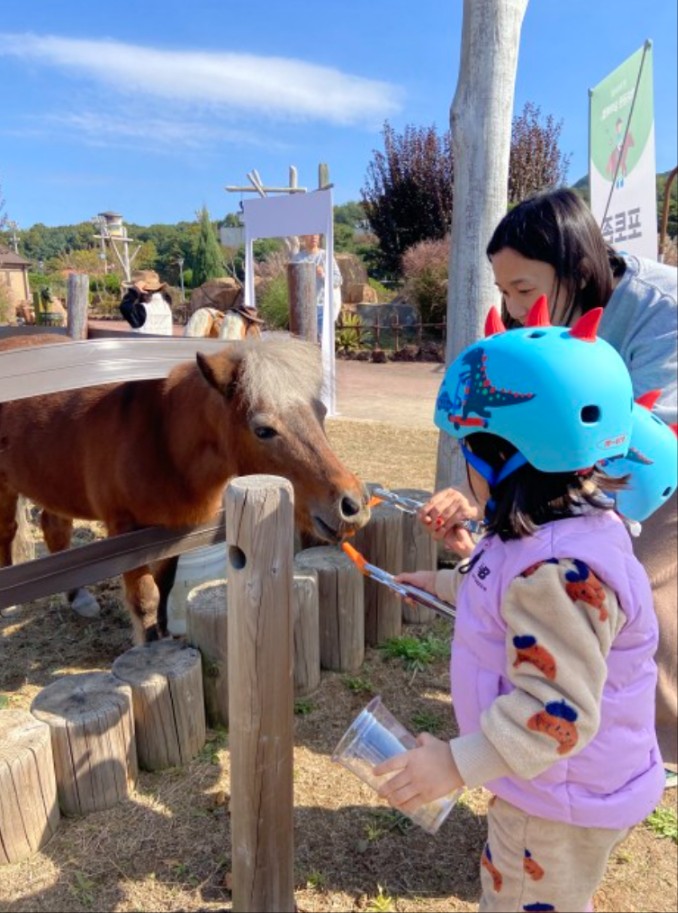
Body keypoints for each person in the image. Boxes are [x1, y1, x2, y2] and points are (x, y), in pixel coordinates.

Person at [376, 302, 665, 912]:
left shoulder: (556, 572)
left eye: (468, 454)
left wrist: (454, 765)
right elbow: (508, 594)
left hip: (557, 799)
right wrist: (440, 581)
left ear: (501, 460)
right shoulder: (561, 531)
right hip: (561, 783)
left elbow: (555, 712)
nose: (466, 471)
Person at [420, 187, 678, 777]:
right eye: (504, 292)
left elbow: (632, 452)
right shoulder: (545, 326)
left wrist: (503, 493)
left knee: (635, 592)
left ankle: (648, 750)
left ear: (578, 273)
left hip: (655, 466)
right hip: (587, 475)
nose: (511, 310)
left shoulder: (662, 311)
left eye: (524, 291)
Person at [291, 234, 342, 340]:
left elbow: (338, 280)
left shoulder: (326, 256)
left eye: (316, 234)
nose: (314, 237)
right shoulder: (297, 259)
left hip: (323, 307)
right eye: (310, 234)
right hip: (304, 308)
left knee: (323, 342)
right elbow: (292, 284)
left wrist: (323, 275)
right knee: (306, 343)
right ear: (304, 237)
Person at [119, 269, 173, 335]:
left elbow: (124, 307)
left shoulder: (143, 309)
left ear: (143, 291)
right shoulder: (166, 305)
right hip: (165, 344)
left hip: (144, 345)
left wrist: (134, 291)